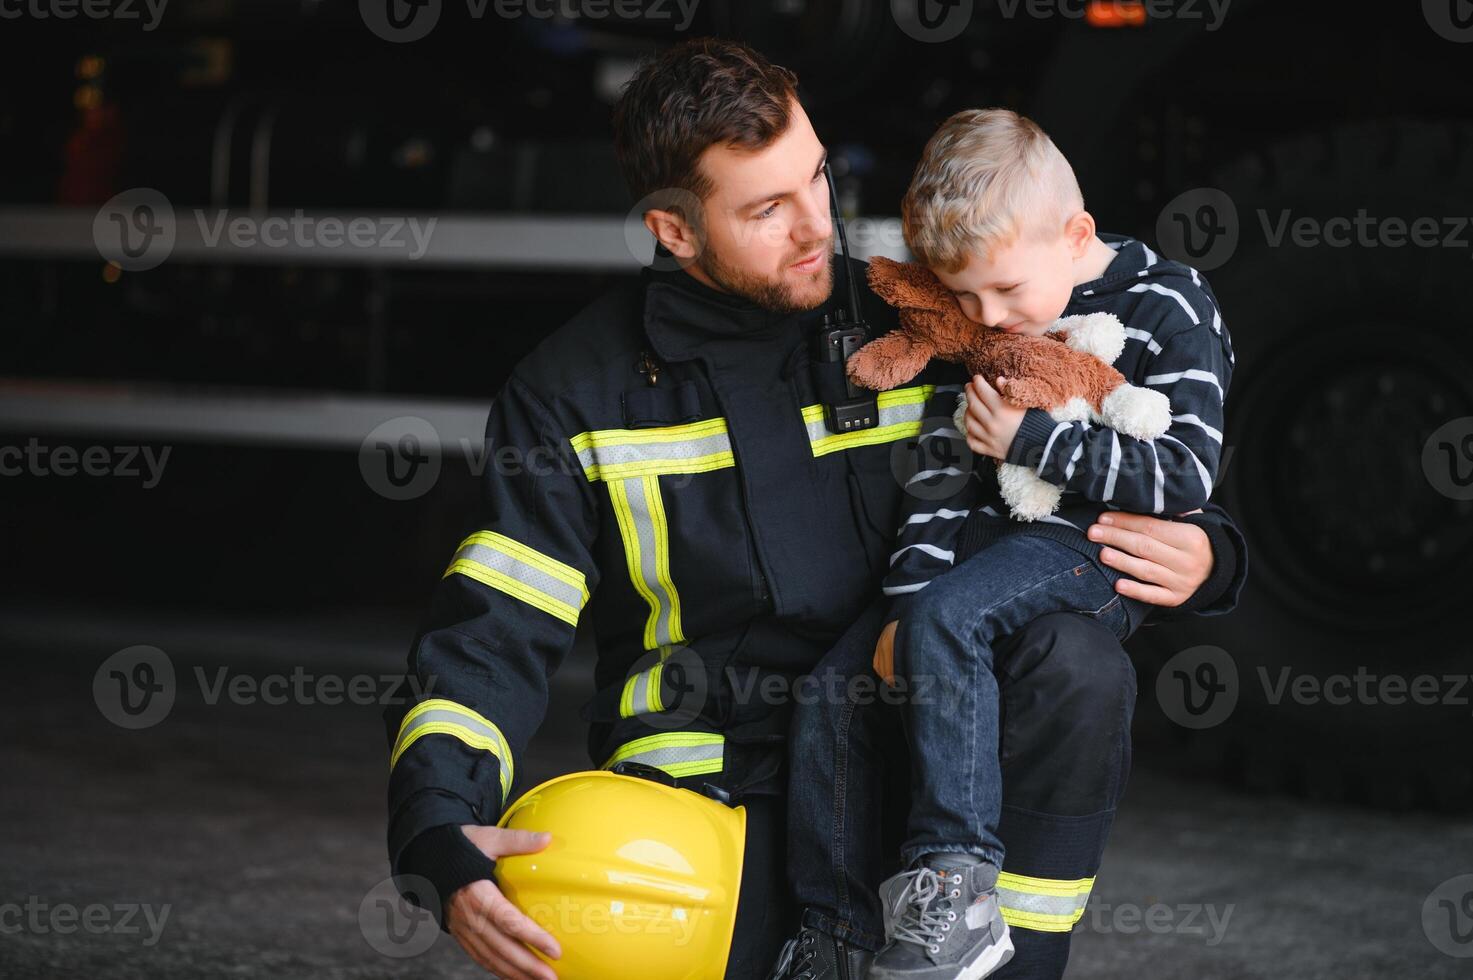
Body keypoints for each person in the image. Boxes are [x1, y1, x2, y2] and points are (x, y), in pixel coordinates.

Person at [381, 39, 1247, 980]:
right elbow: (495, 625)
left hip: (925, 762)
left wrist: (1209, 554)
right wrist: (433, 824)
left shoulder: (924, 314)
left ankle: (995, 955)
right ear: (674, 230)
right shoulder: (573, 392)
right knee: (570, 868)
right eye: (765, 209)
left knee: (1074, 665)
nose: (816, 230)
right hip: (715, 781)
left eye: (817, 180)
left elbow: (1114, 425)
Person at [775, 108, 1238, 980]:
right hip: (982, 563)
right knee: (833, 684)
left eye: (1007, 293)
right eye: (964, 298)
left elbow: (1182, 476)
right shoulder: (987, 309)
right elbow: (941, 474)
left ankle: (957, 884)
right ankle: (831, 940)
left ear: (1076, 236)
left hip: (1090, 552)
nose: (989, 319)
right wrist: (906, 611)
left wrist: (1029, 441)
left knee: (953, 620)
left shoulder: (1166, 304)